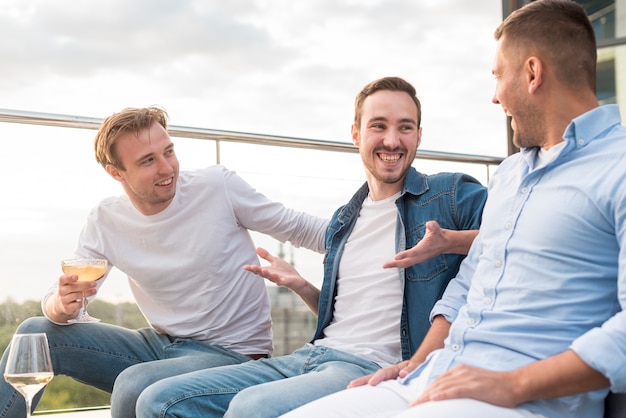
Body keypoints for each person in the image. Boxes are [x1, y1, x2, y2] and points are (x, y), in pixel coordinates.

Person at [280, 1, 626, 418]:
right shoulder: (511, 174)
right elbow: (466, 287)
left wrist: (512, 384)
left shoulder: (617, 167)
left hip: (525, 400)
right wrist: (416, 363)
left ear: (532, 74)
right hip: (434, 378)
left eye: (498, 76)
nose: (495, 95)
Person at [133, 76, 488, 417]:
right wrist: (301, 285)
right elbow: (348, 320)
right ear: (356, 134)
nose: (392, 141)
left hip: (372, 366)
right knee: (158, 400)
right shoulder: (343, 222)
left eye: (405, 127)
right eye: (378, 126)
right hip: (312, 355)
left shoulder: (449, 195)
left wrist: (450, 242)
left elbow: (520, 232)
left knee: (251, 409)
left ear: (419, 136)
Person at [0, 106, 330, 418]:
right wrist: (61, 304)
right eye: (148, 161)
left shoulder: (217, 187)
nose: (167, 168)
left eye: (169, 152)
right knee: (37, 332)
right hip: (158, 345)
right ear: (116, 173)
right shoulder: (106, 219)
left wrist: (369, 239)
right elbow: (62, 296)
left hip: (231, 355)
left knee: (134, 385)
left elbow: (302, 228)